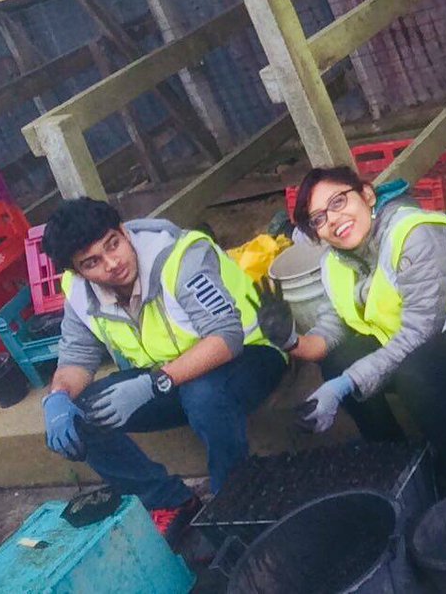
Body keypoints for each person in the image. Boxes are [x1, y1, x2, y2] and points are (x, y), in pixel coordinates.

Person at [41, 199, 285, 542]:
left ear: (125, 231)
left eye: (113, 243)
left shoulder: (180, 257)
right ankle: (170, 500)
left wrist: (155, 383)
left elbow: (226, 337)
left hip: (251, 356)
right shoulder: (79, 292)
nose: (112, 264)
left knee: (204, 395)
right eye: (92, 262)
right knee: (81, 413)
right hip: (169, 379)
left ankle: (235, 504)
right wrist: (58, 399)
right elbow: (77, 358)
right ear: (77, 271)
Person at [262, 168, 446, 488]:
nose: (333, 220)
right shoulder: (336, 263)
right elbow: (332, 330)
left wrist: (343, 386)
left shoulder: (415, 235)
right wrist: (290, 340)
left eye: (338, 202)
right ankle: (398, 466)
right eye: (319, 218)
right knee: (339, 360)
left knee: (417, 373)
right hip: (428, 350)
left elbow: (420, 332)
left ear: (366, 195)